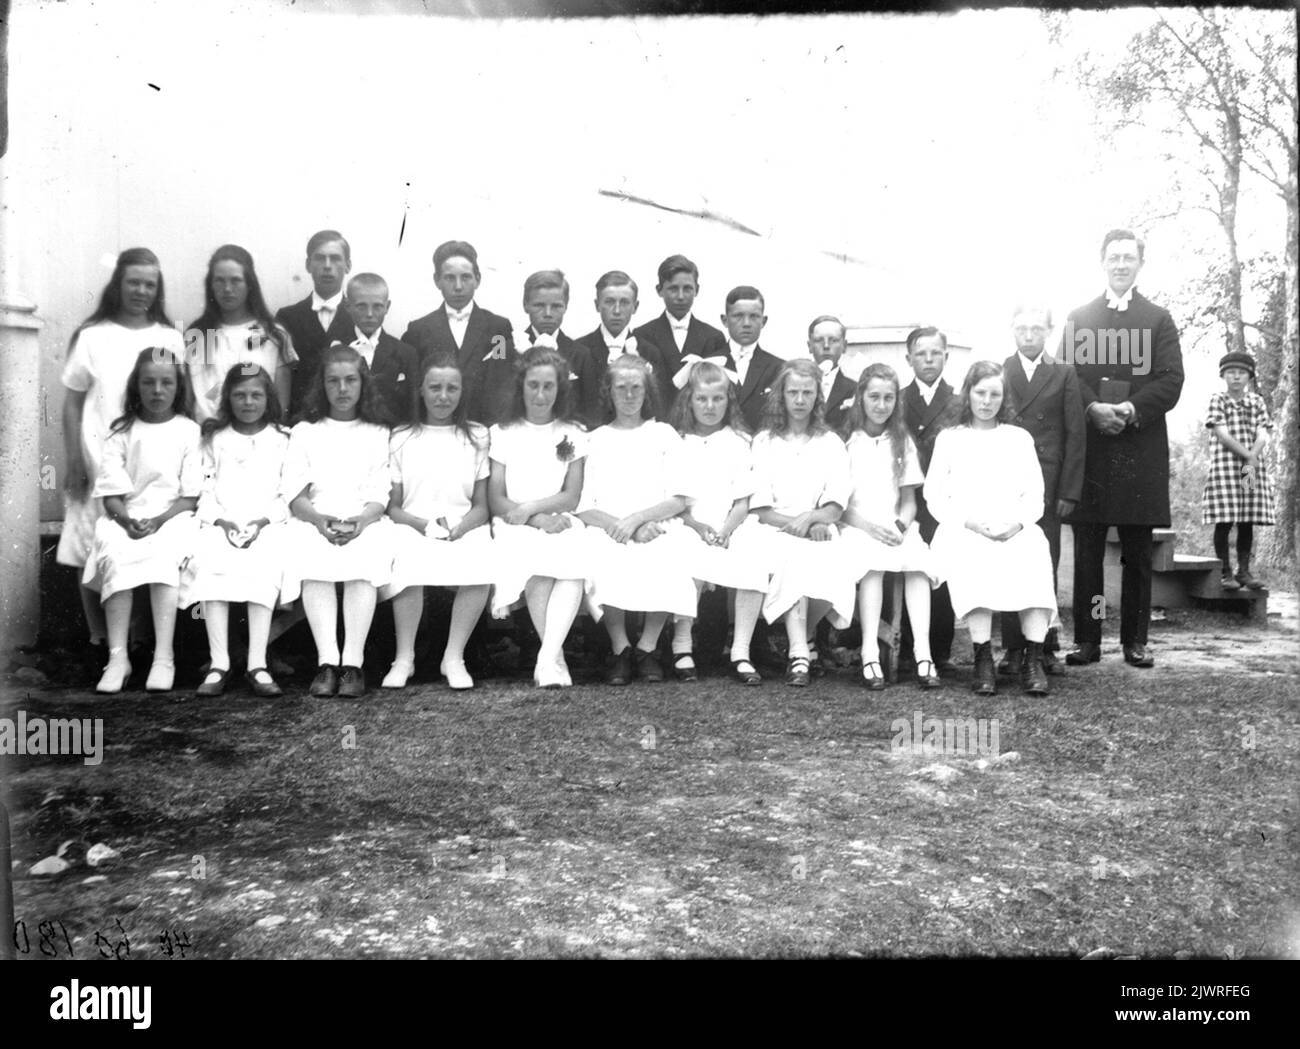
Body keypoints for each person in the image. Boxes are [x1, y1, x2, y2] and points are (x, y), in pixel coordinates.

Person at [1061, 229, 1184, 668]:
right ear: (1102, 262)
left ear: (1140, 264)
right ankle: (1089, 639)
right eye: (1113, 257)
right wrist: (1093, 406)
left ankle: (1134, 639)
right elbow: (1067, 376)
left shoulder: (1158, 319)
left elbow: (1171, 381)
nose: (1120, 264)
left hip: (1138, 451)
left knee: (1136, 554)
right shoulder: (1080, 317)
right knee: (1089, 554)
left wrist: (1130, 409)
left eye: (1128, 258)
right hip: (1092, 453)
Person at [59, 248, 185, 656]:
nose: (141, 291)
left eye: (150, 284)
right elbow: (73, 402)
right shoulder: (92, 336)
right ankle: (98, 638)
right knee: (89, 545)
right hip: (98, 456)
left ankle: (141, 638)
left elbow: (180, 395)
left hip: (150, 456)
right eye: (134, 282)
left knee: (147, 542)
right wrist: (76, 459)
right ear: (118, 284)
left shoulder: (167, 337)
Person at [924, 361, 1057, 696]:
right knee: (973, 556)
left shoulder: (1018, 438)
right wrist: (969, 523)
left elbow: (1035, 495)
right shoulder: (950, 438)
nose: (986, 401)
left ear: (1004, 397)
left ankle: (1033, 657)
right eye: (980, 392)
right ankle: (982, 657)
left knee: (1035, 550)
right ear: (968, 393)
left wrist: (1017, 524)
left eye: (995, 394)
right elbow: (934, 495)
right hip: (965, 526)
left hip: (1013, 525)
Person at [280, 345, 396, 699]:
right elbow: (295, 494)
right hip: (315, 517)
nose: (343, 389)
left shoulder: (377, 432)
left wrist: (362, 520)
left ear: (363, 383)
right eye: (334, 381)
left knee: (367, 554)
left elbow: (380, 491)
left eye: (350, 380)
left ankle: (353, 664)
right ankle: (327, 662)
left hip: (365, 517)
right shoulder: (304, 431)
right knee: (311, 552)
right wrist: (318, 520)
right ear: (322, 385)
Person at [86, 347, 201, 694]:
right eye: (148, 382)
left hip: (173, 516)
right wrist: (126, 522)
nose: (157, 390)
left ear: (177, 388)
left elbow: (190, 495)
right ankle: (118, 657)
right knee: (115, 551)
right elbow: (111, 495)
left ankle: (163, 657)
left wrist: (159, 519)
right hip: (126, 517)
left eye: (166, 383)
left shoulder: (188, 431)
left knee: (164, 554)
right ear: (137, 386)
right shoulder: (121, 431)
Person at [577, 354, 696, 685]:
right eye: (621, 388)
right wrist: (625, 528)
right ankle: (621, 648)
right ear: (609, 392)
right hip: (608, 526)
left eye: (636, 388)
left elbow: (679, 497)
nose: (629, 396)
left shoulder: (664, 434)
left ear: (647, 392)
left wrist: (641, 521)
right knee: (602, 555)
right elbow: (584, 505)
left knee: (673, 551)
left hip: (657, 524)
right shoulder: (595, 439)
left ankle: (647, 646)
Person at [380, 352, 495, 690]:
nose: (443, 397)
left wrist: (460, 528)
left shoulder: (477, 436)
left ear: (462, 392)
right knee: (408, 562)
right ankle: (404, 658)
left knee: (480, 559)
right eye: (435, 387)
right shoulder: (401, 436)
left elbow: (481, 506)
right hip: (412, 525)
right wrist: (422, 526)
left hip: (462, 525)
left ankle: (453, 656)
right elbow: (394, 506)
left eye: (451, 388)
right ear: (420, 390)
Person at [747, 359, 859, 687]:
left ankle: (806, 635)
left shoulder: (830, 442)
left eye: (807, 392)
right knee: (792, 557)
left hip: (818, 527)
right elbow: (762, 509)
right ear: (781, 395)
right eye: (792, 392)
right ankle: (799, 651)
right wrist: (797, 525)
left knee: (836, 559)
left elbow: (836, 504)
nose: (799, 400)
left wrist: (813, 519)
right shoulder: (765, 441)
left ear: (817, 397)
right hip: (771, 528)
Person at [182, 365, 291, 698]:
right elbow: (205, 489)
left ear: (268, 398)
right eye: (240, 395)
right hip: (222, 521)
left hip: (269, 523)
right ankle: (220, 663)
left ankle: (257, 664)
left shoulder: (282, 438)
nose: (248, 402)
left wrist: (262, 522)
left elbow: (289, 492)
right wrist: (220, 521)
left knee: (265, 562)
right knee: (213, 558)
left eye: (256, 395)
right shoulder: (215, 439)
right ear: (228, 398)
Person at [487, 346, 590, 689]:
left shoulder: (572, 431)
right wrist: (533, 520)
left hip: (560, 519)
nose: (541, 394)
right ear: (521, 387)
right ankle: (553, 659)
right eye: (533, 385)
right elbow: (496, 497)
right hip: (514, 524)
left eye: (549, 386)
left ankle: (546, 658)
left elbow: (572, 495)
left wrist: (537, 511)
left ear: (560, 389)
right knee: (538, 569)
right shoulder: (502, 431)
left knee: (573, 567)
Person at [669, 359, 771, 685]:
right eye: (702, 399)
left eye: (718, 399)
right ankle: (682, 643)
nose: (710, 406)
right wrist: (695, 526)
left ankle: (740, 650)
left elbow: (743, 502)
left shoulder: (739, 441)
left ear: (729, 401)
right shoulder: (677, 441)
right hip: (688, 523)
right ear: (689, 400)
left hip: (731, 524)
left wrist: (726, 530)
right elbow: (673, 499)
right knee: (682, 548)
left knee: (753, 551)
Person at [997, 305, 1085, 677]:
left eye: (1036, 328)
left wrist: (1069, 490)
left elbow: (1075, 433)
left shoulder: (1064, 372)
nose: (1029, 335)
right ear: (1012, 331)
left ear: (1048, 331)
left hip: (1048, 483)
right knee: (1006, 560)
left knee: (1044, 561)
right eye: (1022, 328)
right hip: (1006, 481)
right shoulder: (1001, 370)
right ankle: (1013, 648)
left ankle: (1045, 645)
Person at [841, 364, 939, 692]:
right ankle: (870, 651)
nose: (881, 405)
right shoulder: (845, 441)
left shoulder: (902, 440)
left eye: (888, 398)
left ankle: (923, 653)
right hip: (856, 525)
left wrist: (899, 526)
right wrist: (869, 527)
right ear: (860, 398)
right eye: (874, 397)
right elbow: (837, 505)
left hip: (895, 524)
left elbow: (910, 501)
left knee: (917, 565)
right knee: (872, 565)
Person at [898, 326, 961, 673]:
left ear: (946, 357)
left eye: (935, 353)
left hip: (943, 499)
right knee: (908, 570)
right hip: (905, 497)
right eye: (921, 354)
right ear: (909, 359)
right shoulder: (898, 399)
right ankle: (906, 647)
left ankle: (940, 648)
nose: (928, 360)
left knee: (940, 571)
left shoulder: (957, 401)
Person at [401, 240, 517, 426]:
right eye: (449, 278)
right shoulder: (418, 330)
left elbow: (500, 378)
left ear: (477, 279)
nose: (458, 286)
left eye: (465, 277)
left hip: (483, 425)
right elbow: (413, 388)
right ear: (437, 280)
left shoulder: (498, 328)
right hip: (435, 426)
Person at [187, 244, 296, 423]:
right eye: (219, 281)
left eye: (235, 280)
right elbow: (189, 399)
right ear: (211, 285)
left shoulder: (273, 334)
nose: (227, 288)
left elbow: (281, 405)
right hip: (208, 438)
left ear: (249, 284)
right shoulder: (196, 335)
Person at [1202, 351, 1274, 590]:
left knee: (1246, 517)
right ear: (1223, 375)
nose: (1236, 377)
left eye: (1241, 373)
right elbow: (1222, 434)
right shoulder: (1218, 400)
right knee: (1225, 518)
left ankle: (1244, 571)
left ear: (1249, 377)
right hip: (1226, 468)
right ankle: (1225, 572)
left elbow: (1263, 432)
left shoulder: (1256, 401)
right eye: (1231, 372)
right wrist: (1248, 455)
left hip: (1249, 470)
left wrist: (1253, 456)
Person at [634, 254, 730, 411]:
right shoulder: (642, 335)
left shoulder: (714, 337)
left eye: (687, 289)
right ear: (659, 290)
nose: (680, 296)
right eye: (673, 289)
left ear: (697, 290)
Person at [275, 230, 356, 414]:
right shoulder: (287, 318)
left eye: (335, 258)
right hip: (300, 423)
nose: (327, 266)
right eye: (320, 258)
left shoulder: (359, 317)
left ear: (348, 265)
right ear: (308, 265)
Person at [576, 270, 672, 423]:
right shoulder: (580, 350)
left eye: (625, 302)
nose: (617, 311)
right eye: (609, 302)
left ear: (635, 306)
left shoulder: (650, 352)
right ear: (597, 305)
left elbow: (659, 407)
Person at [517, 269, 600, 427]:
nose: (547, 313)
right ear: (525, 305)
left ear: (566, 307)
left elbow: (590, 412)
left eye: (556, 306)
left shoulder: (581, 354)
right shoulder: (504, 348)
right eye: (539, 305)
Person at [343, 272, 421, 425]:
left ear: (387, 307)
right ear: (348, 306)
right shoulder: (336, 349)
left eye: (377, 306)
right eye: (361, 306)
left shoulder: (406, 353)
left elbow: (412, 407)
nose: (370, 314)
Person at [724, 286, 785, 434]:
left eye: (754, 316)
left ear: (763, 321)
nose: (746, 323)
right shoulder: (709, 363)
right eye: (738, 316)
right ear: (725, 320)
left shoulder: (779, 368)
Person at [809, 315, 857, 433]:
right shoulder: (795, 386)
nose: (826, 346)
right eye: (819, 340)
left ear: (844, 346)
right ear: (809, 346)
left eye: (833, 340)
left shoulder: (855, 389)